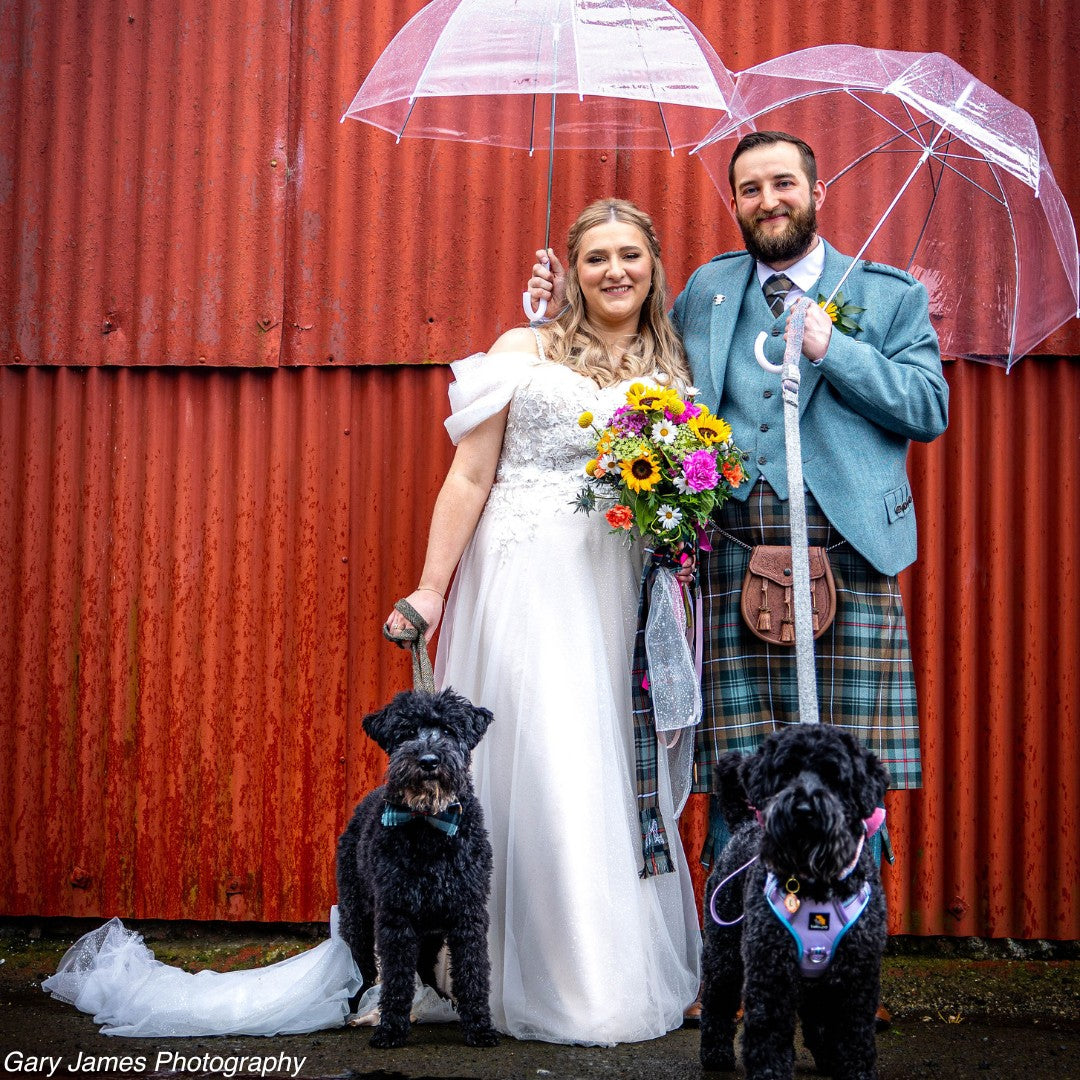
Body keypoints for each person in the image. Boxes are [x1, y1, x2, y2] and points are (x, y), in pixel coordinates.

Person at [528, 132, 949, 872]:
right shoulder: (709, 292)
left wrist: (833, 348)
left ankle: (842, 955)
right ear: (735, 203)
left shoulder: (888, 295)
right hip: (728, 549)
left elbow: (927, 408)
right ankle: (738, 953)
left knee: (846, 767)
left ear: (816, 192)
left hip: (847, 547)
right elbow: (638, 360)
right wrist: (561, 313)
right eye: (750, 189)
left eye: (783, 183)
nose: (768, 200)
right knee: (740, 768)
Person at [385, 198, 701, 1045]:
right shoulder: (523, 349)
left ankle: (600, 964)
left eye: (629, 254)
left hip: (616, 589)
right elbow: (469, 476)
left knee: (605, 760)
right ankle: (500, 970)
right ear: (568, 269)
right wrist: (431, 590)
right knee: (541, 754)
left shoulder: (671, 365)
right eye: (595, 257)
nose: (614, 271)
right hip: (525, 579)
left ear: (653, 264)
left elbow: (681, 481)